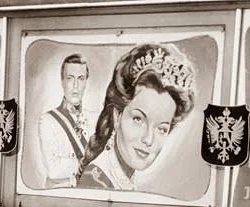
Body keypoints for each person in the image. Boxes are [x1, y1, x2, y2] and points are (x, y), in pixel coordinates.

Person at [78, 43, 195, 190]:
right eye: (138, 119)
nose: (148, 139)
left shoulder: (121, 177)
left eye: (162, 128)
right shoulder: (95, 181)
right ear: (117, 115)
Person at [38, 53, 97, 186]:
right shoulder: (48, 120)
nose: (75, 85)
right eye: (70, 78)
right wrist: (90, 164)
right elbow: (53, 170)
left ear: (86, 82)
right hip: (61, 194)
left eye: (81, 78)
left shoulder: (95, 119)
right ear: (62, 82)